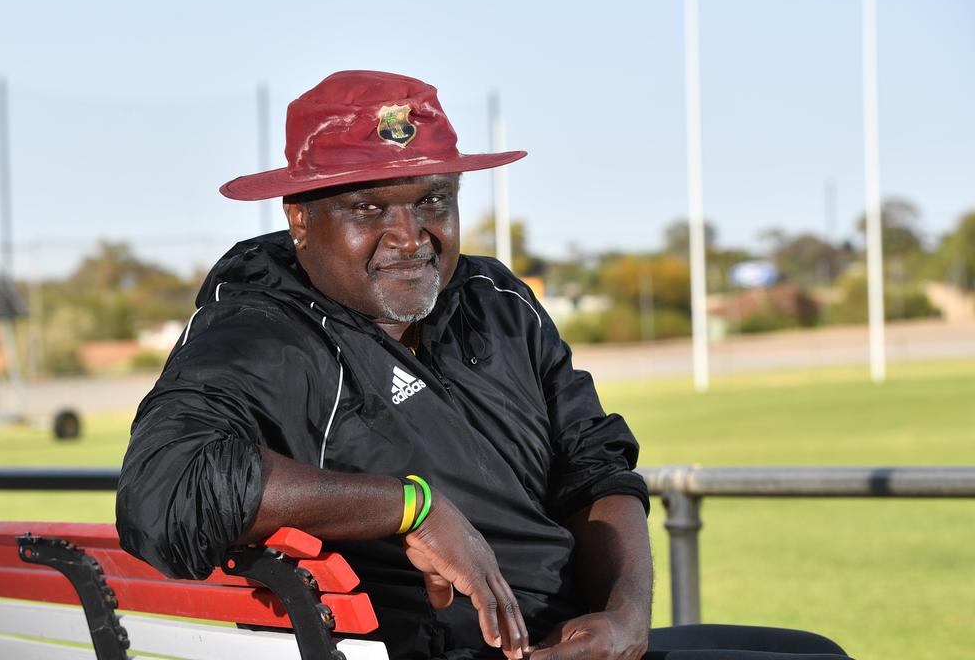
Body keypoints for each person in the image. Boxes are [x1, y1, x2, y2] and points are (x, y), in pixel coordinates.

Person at [116, 70, 851, 660]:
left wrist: (623, 617)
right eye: (369, 209)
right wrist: (410, 506)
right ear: (300, 217)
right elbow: (164, 489)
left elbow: (596, 468)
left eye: (433, 199)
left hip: (567, 637)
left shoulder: (494, 297)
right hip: (443, 647)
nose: (411, 237)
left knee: (808, 650)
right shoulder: (259, 331)